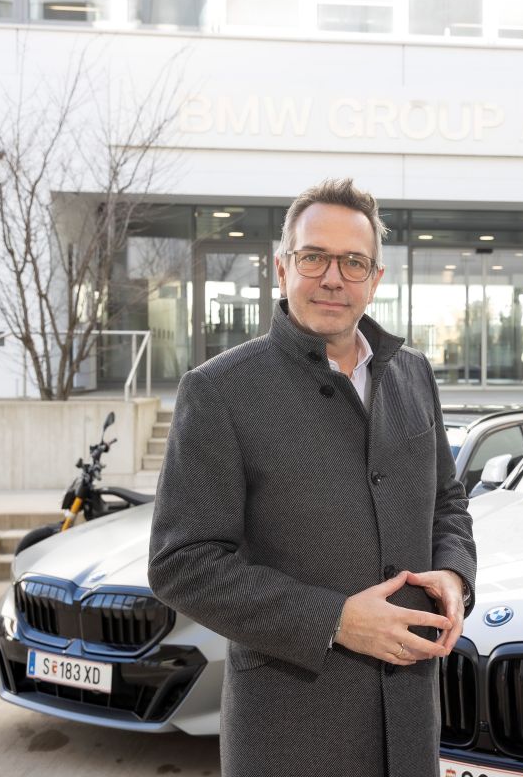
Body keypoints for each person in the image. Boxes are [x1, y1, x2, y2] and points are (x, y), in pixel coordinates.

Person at [148, 178, 476, 777]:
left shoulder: (413, 375)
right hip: (290, 732)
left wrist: (455, 575)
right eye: (314, 257)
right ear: (282, 269)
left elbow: (447, 504)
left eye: (353, 262)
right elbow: (182, 564)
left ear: (375, 279)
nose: (333, 277)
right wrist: (335, 620)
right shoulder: (220, 390)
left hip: (409, 726)